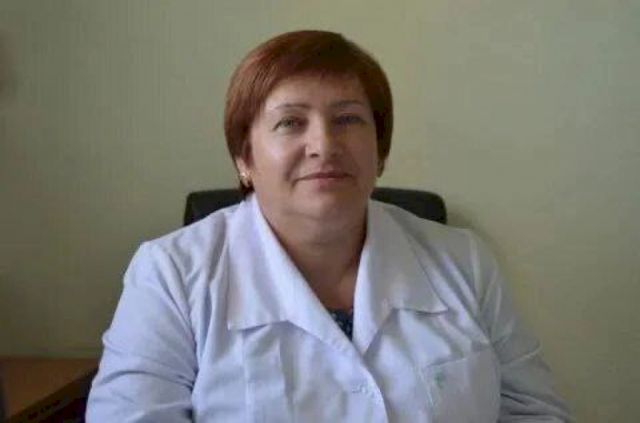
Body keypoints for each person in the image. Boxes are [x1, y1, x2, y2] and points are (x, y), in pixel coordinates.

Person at [86, 30, 571, 422]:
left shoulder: (464, 260)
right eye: (290, 123)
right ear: (244, 159)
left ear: (380, 151)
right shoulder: (170, 274)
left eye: (348, 119)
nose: (324, 145)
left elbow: (534, 412)